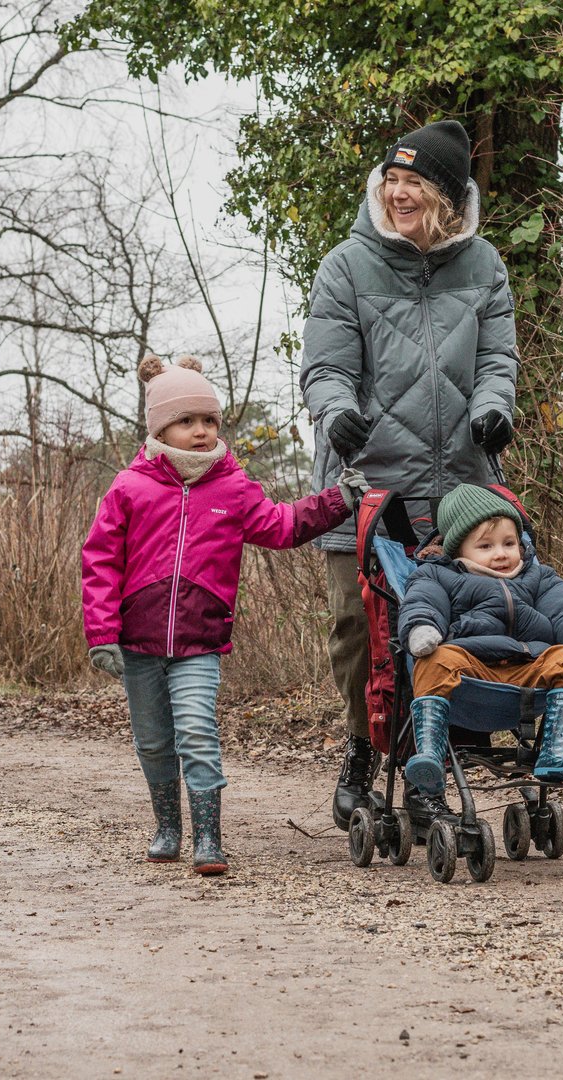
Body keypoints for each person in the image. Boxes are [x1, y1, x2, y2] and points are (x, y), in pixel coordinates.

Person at [299, 119, 520, 830]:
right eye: (391, 180)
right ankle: (363, 750)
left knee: (451, 625)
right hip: (365, 481)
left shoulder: (484, 267)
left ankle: (433, 759)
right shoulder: (346, 266)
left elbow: (496, 363)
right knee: (358, 630)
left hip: (459, 486)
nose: (398, 193)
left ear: (447, 199)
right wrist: (336, 415)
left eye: (414, 183)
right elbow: (327, 367)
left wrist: (493, 411)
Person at [82, 355, 364, 875]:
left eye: (209, 420)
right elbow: (99, 560)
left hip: (201, 641)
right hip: (137, 643)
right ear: (161, 425)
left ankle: (208, 837)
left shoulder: (232, 487)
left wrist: (336, 502)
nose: (201, 431)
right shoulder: (129, 488)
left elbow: (281, 526)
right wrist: (102, 633)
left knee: (196, 731)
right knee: (153, 739)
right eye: (187, 421)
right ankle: (168, 826)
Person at [397, 485, 563, 794]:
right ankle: (430, 751)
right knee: (434, 658)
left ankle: (559, 751)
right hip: (468, 674)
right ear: (457, 549)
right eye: (485, 546)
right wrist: (421, 628)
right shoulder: (437, 575)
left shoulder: (538, 578)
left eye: (509, 543)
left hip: (529, 670)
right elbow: (422, 603)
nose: (501, 554)